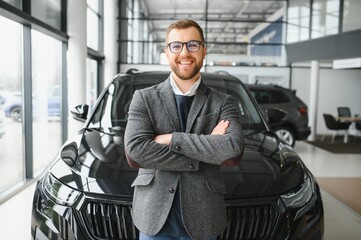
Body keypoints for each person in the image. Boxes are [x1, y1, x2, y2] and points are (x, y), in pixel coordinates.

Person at [124, 19, 244, 240]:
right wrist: (207, 146)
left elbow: (232, 149)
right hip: (153, 218)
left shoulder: (223, 102)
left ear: (203, 50)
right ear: (167, 52)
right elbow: (136, 151)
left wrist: (169, 138)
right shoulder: (144, 98)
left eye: (192, 45)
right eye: (176, 45)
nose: (185, 52)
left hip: (205, 218)